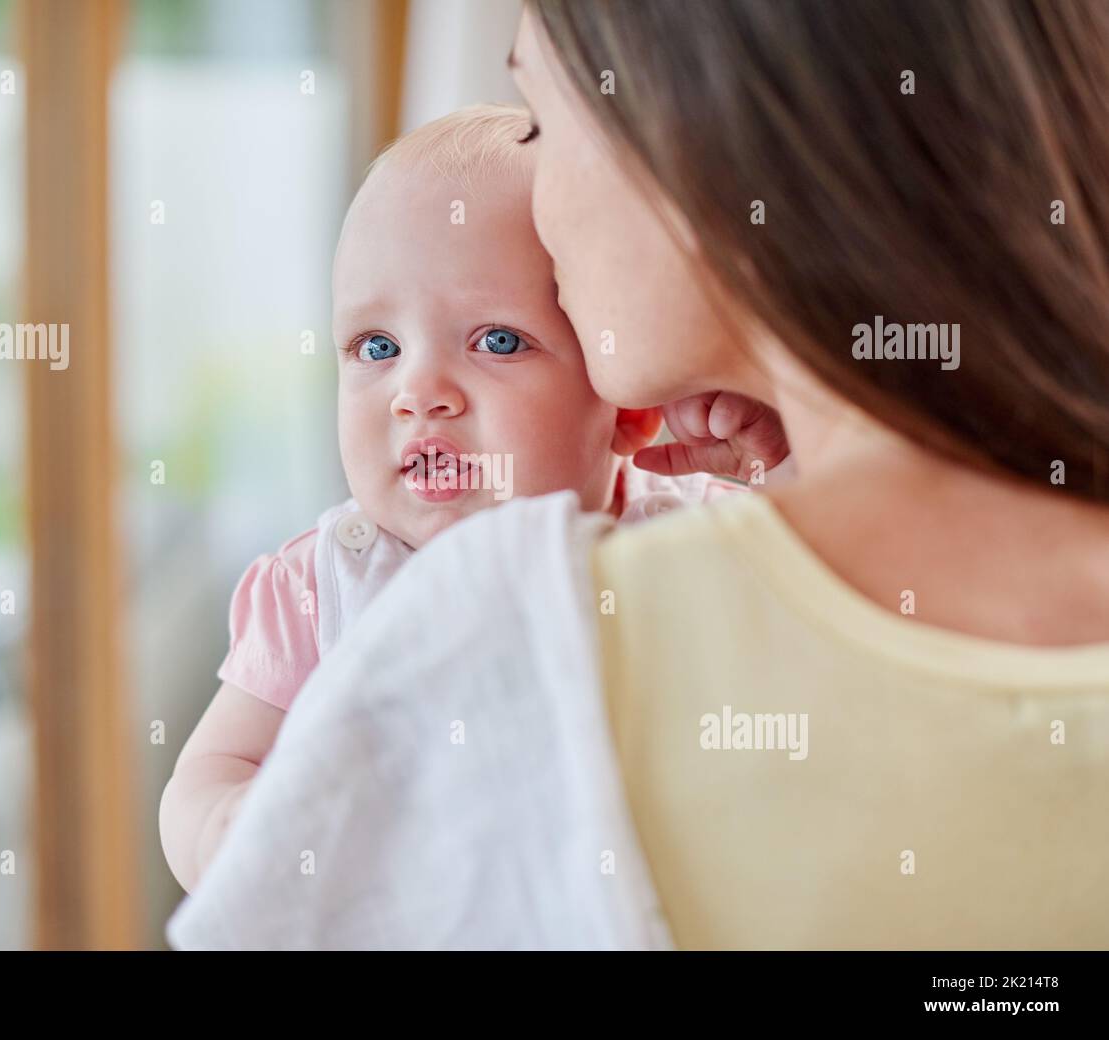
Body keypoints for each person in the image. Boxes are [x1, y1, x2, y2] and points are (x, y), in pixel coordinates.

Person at [172, 0, 1109, 948]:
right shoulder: (337, 582)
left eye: (538, 118)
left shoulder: (510, 627)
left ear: (700, 132)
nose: (418, 393)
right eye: (372, 345)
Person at [158, 105, 745, 894]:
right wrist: (227, 830)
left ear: (627, 403)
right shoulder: (322, 589)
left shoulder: (696, 538)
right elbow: (210, 771)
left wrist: (773, 448)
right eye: (378, 348)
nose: (417, 394)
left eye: (496, 340)